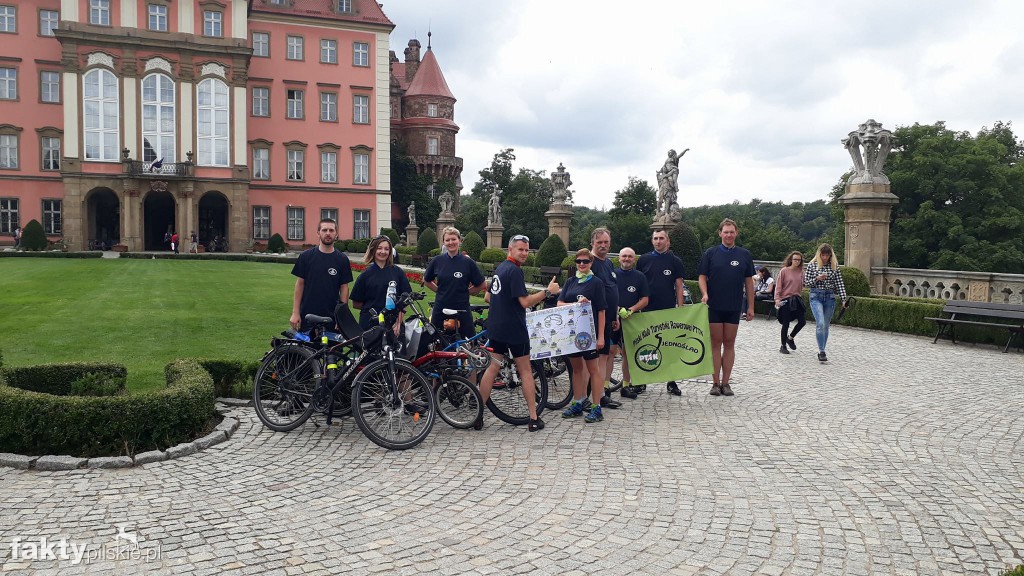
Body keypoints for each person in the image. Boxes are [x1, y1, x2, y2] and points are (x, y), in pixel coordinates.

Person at [479, 234, 560, 432]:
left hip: (496, 327)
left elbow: (488, 297)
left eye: (526, 249)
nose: (524, 253)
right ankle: (533, 418)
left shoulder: (500, 268)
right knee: (525, 371)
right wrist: (548, 292)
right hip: (514, 329)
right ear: (510, 250)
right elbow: (524, 302)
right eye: (520, 249)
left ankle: (478, 415)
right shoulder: (514, 271)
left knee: (492, 369)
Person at [697, 218, 755, 397]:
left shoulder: (744, 255)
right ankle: (715, 382)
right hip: (714, 305)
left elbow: (749, 283)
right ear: (720, 233)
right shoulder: (711, 253)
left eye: (732, 232)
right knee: (715, 343)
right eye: (726, 231)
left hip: (733, 305)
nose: (729, 235)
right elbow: (701, 276)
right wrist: (705, 293)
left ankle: (726, 383)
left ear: (736, 233)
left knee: (729, 343)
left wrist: (751, 306)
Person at [558, 248, 608, 424]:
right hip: (573, 334)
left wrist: (601, 337)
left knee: (593, 370)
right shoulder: (571, 281)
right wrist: (576, 304)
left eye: (585, 261)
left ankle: (596, 406)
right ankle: (578, 401)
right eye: (578, 261)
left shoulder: (596, 282)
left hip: (590, 333)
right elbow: (560, 303)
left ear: (591, 263)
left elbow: (602, 311)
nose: (581, 264)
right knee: (577, 369)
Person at [636, 229, 686, 396]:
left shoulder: (675, 261)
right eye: (655, 238)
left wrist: (680, 307)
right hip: (647, 309)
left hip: (667, 309)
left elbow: (679, 286)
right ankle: (642, 380)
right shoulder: (643, 259)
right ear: (652, 241)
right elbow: (637, 284)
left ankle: (671, 381)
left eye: (661, 238)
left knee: (669, 346)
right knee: (645, 345)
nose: (658, 241)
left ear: (668, 241)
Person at [289, 218, 353, 332]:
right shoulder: (306, 257)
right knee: (305, 349)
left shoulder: (342, 260)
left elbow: (344, 289)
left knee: (331, 350)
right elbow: (300, 284)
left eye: (331, 230)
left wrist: (342, 317)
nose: (328, 233)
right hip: (307, 316)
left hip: (332, 318)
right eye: (324, 230)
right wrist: (295, 312)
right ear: (318, 233)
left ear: (336, 234)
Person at [424, 226, 486, 344]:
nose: (451, 242)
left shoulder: (468, 262)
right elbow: (426, 280)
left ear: (459, 240)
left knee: (468, 343)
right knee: (436, 342)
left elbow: (481, 284)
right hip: (440, 308)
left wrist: (466, 292)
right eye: (447, 240)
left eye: (453, 239)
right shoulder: (437, 261)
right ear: (443, 242)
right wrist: (439, 290)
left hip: (462, 309)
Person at [588, 228, 622, 408]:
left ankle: (600, 394)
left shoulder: (608, 263)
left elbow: (612, 289)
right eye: (599, 242)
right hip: (593, 319)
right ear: (592, 243)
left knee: (602, 358)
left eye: (606, 242)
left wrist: (615, 315)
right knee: (592, 360)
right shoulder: (589, 262)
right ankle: (588, 397)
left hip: (608, 318)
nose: (603, 245)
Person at [350, 235, 411, 333]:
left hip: (393, 325)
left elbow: (406, 299)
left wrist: (398, 321)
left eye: (386, 249)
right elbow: (356, 303)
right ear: (373, 250)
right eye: (379, 248)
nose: (383, 252)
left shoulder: (398, 272)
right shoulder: (365, 275)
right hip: (370, 325)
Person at [612, 247, 649, 398]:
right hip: (613, 318)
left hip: (632, 319)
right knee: (609, 352)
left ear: (634, 259)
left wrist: (632, 310)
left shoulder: (640, 277)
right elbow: (605, 295)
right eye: (624, 256)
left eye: (630, 257)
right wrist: (617, 309)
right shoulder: (612, 275)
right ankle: (605, 385)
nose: (626, 259)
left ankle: (626, 385)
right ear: (619, 258)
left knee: (628, 353)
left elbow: (645, 299)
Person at [803, 243, 848, 362]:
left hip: (829, 296)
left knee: (826, 325)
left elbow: (839, 283)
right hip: (816, 295)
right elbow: (806, 283)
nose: (825, 257)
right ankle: (821, 350)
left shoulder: (834, 266)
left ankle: (822, 350)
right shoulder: (812, 266)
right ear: (819, 254)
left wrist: (844, 299)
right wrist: (817, 279)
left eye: (827, 255)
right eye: (823, 255)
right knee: (821, 323)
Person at [774, 251, 807, 355]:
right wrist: (777, 299)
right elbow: (778, 286)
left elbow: (805, 284)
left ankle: (790, 338)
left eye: (799, 260)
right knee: (786, 323)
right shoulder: (784, 271)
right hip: (786, 299)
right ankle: (783, 345)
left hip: (797, 299)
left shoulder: (801, 271)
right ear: (791, 260)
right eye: (795, 259)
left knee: (802, 321)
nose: (797, 261)